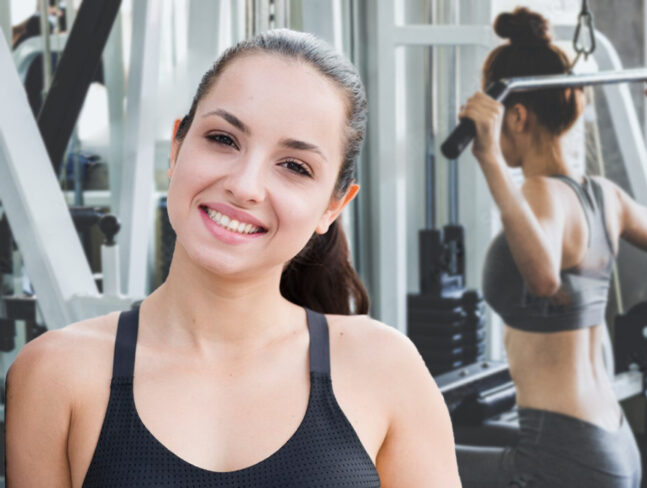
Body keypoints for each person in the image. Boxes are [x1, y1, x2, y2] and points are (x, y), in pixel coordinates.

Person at [6, 29, 461, 487]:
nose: (244, 186)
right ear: (177, 148)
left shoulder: (384, 368)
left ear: (333, 208)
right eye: (223, 139)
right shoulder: (56, 372)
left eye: (295, 166)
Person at [459, 8, 647, 488]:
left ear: (517, 115)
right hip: (611, 443)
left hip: (562, 455)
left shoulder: (540, 193)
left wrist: (489, 162)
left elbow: (544, 277)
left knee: (388, 457)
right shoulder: (604, 196)